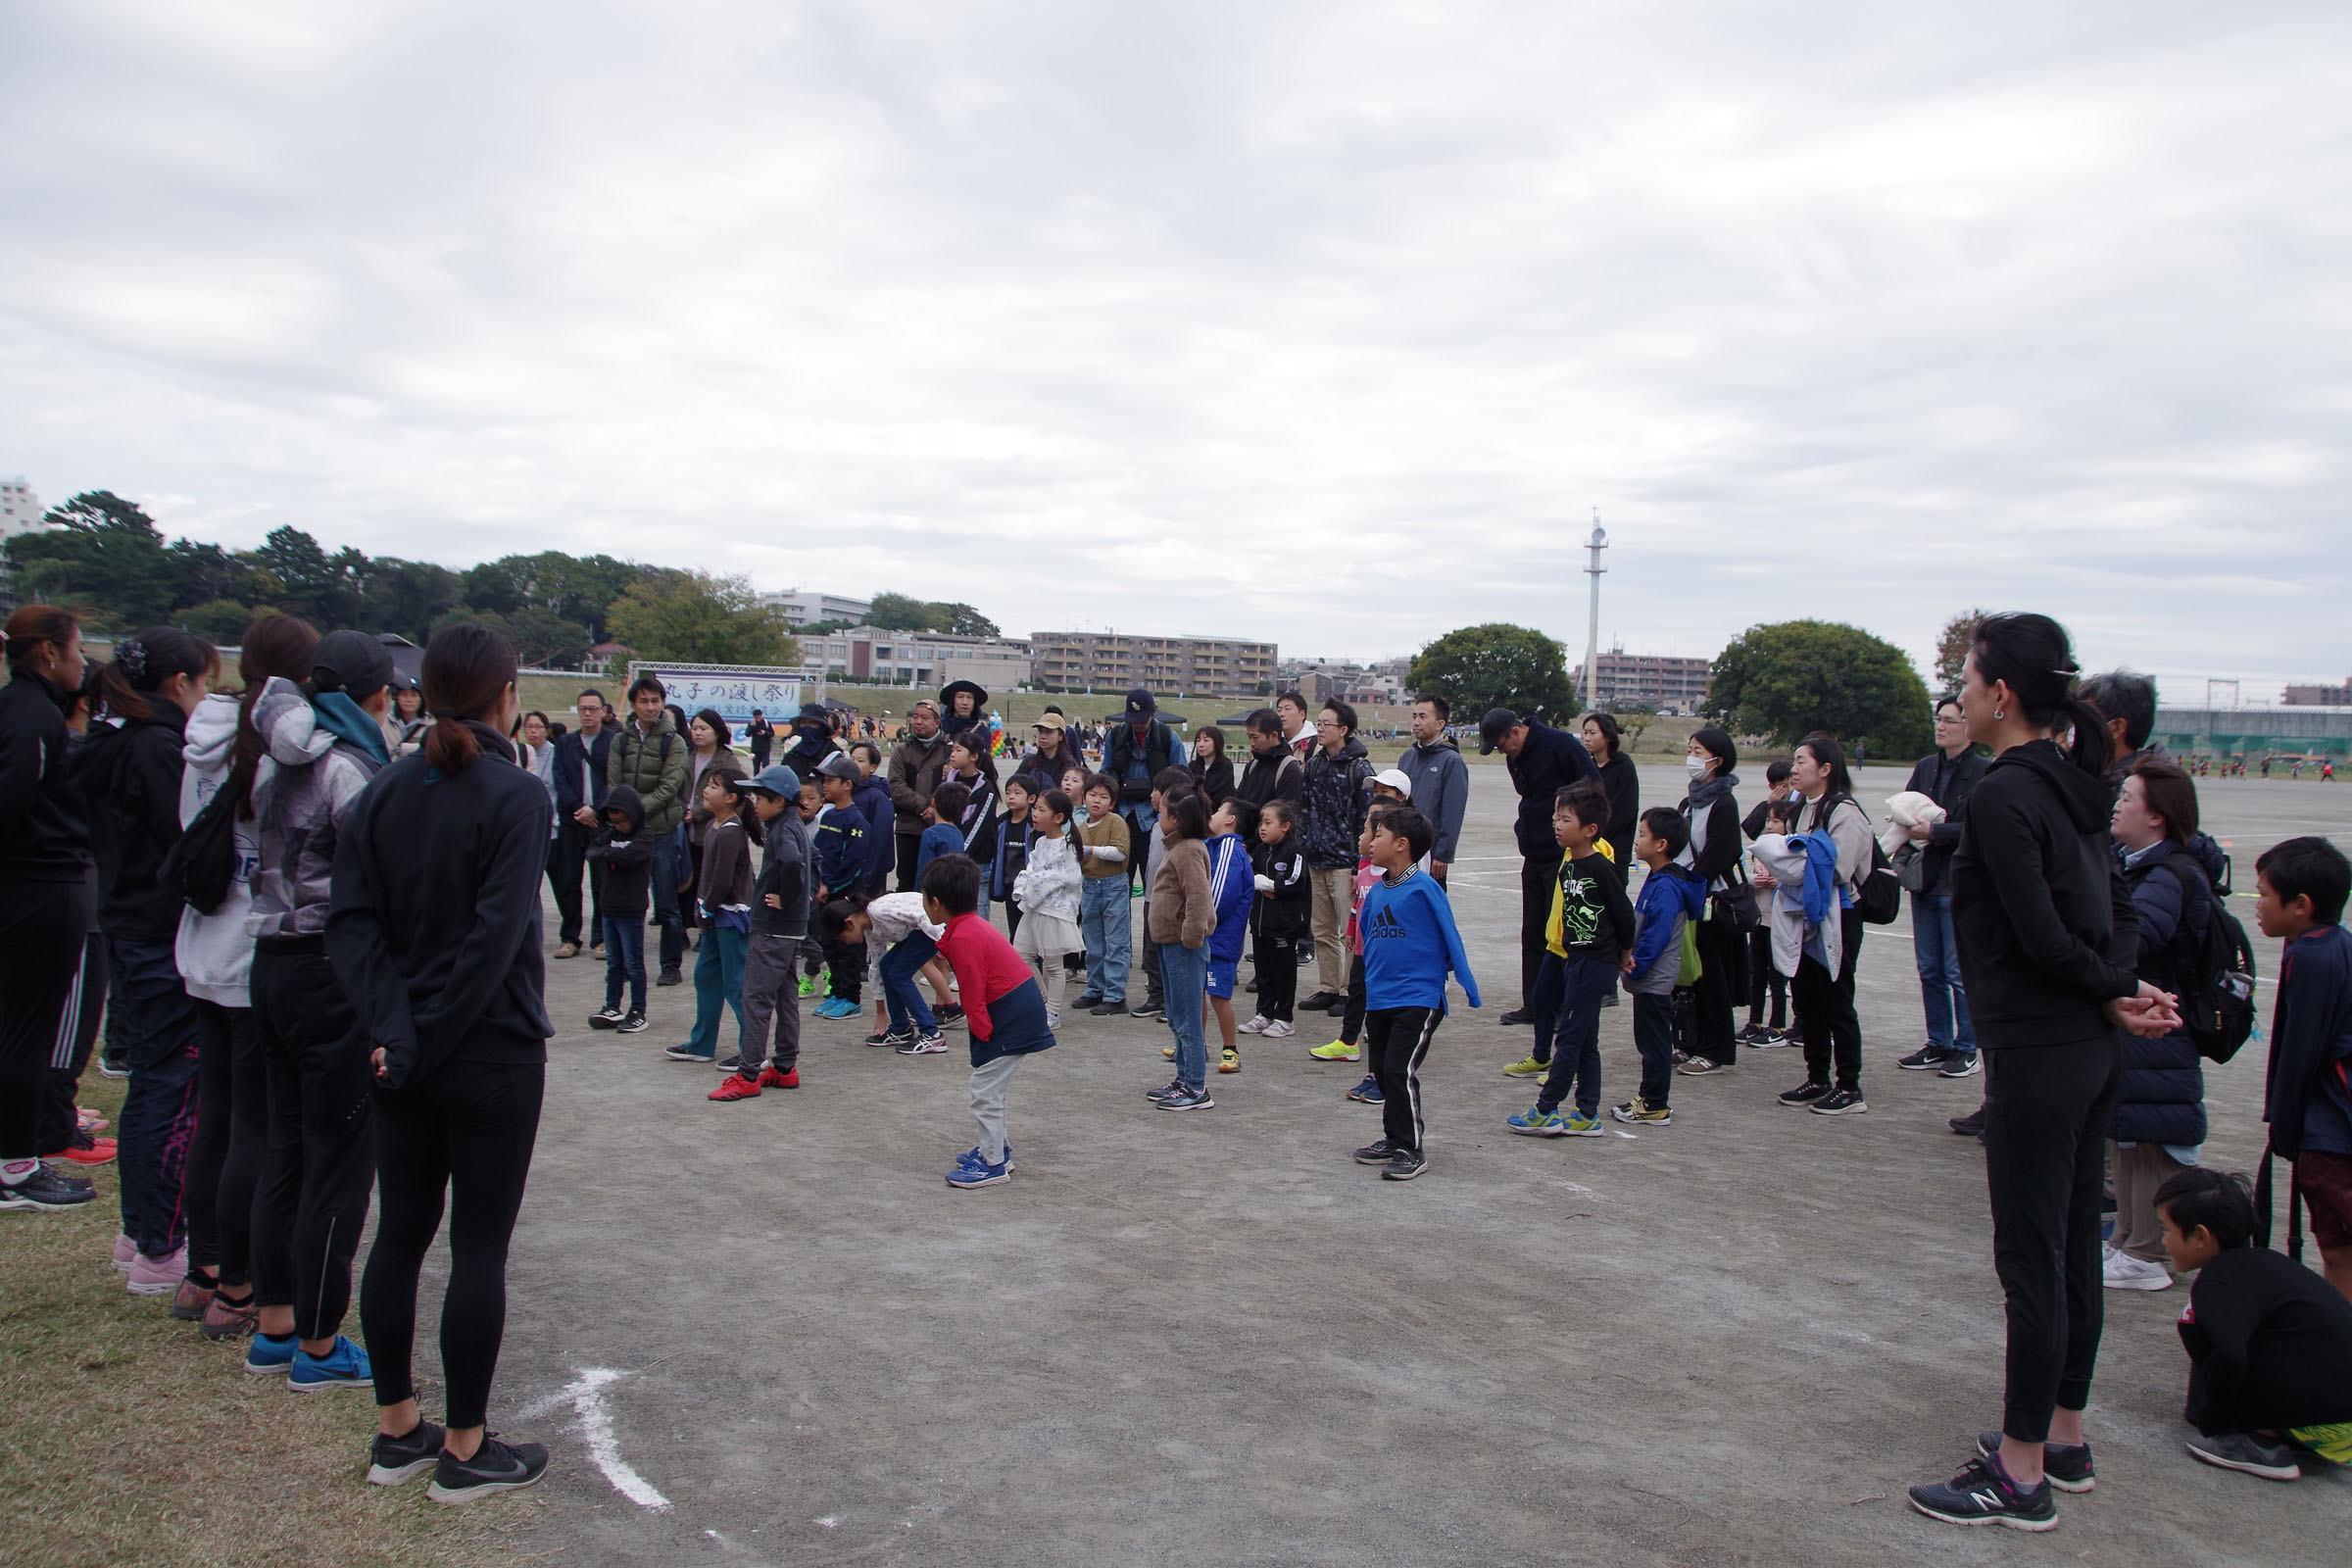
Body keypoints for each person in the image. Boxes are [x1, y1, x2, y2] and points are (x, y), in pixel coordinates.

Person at [1906, 612, 2180, 1532]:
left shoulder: (2002, 794)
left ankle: (2019, 1474)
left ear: (2002, 694)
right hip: (2089, 1048)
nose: (1963, 693)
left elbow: (2038, 932)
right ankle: (2063, 1434)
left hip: (2037, 1050)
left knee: (2031, 1259)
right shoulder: (2080, 783)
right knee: (2069, 1252)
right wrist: (2117, 988)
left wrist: (2108, 985)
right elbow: (2116, 909)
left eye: (1971, 678)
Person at [329, 622, 555, 1503]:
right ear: (506, 696)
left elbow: (350, 925)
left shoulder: (385, 789)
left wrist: (395, 1028)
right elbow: (495, 938)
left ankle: (397, 1429)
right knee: (478, 1246)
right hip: (487, 1045)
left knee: (400, 1233)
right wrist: (430, 1031)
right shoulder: (515, 795)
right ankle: (464, 1445)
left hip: (399, 1047)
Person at [241, 628, 394, 1379]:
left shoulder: (275, 760)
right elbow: (380, 879)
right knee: (338, 1160)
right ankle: (320, 1341)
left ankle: (275, 1321)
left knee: (288, 1145)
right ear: (372, 697)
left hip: (269, 959)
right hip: (330, 971)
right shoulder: (350, 769)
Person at [172, 612, 318, 1336]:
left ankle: (203, 1269)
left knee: (216, 1116)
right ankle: (239, 1282)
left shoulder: (205, 726)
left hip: (201, 935)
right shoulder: (272, 738)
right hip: (250, 943)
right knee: (255, 1128)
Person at [81, 627, 218, 1292]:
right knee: (174, 1087)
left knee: (148, 1083)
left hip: (125, 925)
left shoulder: (108, 741)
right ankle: (162, 1244)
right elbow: (184, 841)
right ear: (179, 683)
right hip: (161, 930)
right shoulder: (161, 748)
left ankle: (139, 1230)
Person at [2154, 1166, 2352, 1481]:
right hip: (2342, 1423)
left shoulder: (2218, 1282)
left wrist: (2214, 1424)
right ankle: (2287, 1429)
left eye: (2166, 1229)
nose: (2163, 1240)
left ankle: (2260, 1443)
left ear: (2202, 1236)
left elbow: (2229, 1356)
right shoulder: (2267, 1263)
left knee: (2194, 1325)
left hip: (2327, 1422)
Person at [0, 607, 101, 1215]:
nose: (82, 660)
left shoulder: (21, 707)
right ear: (47, 653)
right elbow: (14, 796)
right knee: (26, 1033)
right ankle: (16, 1166)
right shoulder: (33, 714)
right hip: (36, 886)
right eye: (77, 648)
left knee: (18, 1029)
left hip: (30, 883)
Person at [2103, 759, 2214, 1291]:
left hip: (2159, 1023)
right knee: (2127, 1135)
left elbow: (2136, 939)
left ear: (2159, 817)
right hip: (2143, 1024)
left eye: (2128, 798)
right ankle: (2128, 1239)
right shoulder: (2141, 863)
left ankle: (2145, 1253)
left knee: (2152, 1140)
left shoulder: (2168, 874)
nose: (2118, 805)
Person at [1350, 806, 1480, 1181]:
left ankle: (1412, 1148)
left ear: (1401, 845)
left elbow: (1449, 934)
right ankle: (1392, 1138)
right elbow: (1367, 944)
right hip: (1381, 997)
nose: (1371, 842)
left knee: (1399, 1069)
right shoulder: (1376, 893)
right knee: (1382, 1070)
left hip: (1418, 997)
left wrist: (1468, 986)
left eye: (1379, 836)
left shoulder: (1424, 887)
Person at [2252, 834, 2352, 1302]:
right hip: (2338, 1123)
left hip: (2332, 1129)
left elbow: (2299, 1054)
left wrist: (2285, 1126)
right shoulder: (2337, 943)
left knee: (2339, 1254)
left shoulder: (2309, 957)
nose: (2258, 904)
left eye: (2266, 895)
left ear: (2301, 905)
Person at [1504, 782, 1632, 1136]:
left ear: (1589, 830)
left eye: (1565, 819)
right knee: (1585, 1038)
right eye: (1555, 818)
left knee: (1571, 1036)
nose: (1557, 825)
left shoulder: (1601, 868)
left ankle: (1547, 1108)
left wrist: (1624, 955)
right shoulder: (1568, 867)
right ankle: (1587, 1113)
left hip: (1596, 962)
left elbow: (1624, 916)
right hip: (1574, 958)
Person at [925, 853, 1056, 1189]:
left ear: (936, 904)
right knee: (990, 1088)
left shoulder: (965, 936)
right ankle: (997, 1150)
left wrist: (982, 1034)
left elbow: (973, 991)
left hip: (1011, 1014)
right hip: (1014, 1008)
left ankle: (992, 1163)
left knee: (984, 1088)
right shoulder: (968, 926)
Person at [1768, 734, 1873, 1115]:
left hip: (1838, 915)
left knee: (1836, 998)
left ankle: (1850, 1086)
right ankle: (1817, 1077)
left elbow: (1839, 869)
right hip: (1804, 914)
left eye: (1801, 762)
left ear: (1826, 769)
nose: (1793, 769)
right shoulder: (1800, 808)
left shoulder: (1845, 811)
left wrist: (1793, 859)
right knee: (1806, 997)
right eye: (1794, 761)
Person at [1480, 706, 1601, 1026]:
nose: (1502, 751)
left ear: (1516, 731)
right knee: (1533, 932)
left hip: (1563, 856)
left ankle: (1564, 1006)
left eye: (1502, 743)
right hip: (1533, 853)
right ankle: (1534, 1005)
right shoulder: (1514, 757)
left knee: (1563, 934)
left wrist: (1581, 840)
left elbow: (1595, 789)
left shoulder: (1561, 745)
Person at [1897, 697, 1989, 1075]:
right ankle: (1938, 1041)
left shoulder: (1984, 770)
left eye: (1949, 721)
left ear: (1968, 726)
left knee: (1958, 971)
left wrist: (1936, 831)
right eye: (1938, 719)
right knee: (1929, 968)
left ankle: (1967, 1047)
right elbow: (1903, 806)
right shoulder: (1926, 767)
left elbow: (1981, 828)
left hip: (1958, 883)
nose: (1941, 726)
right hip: (1925, 878)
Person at [710, 765, 809, 1101]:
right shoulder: (793, 824)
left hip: (773, 930)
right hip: (790, 930)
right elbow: (814, 859)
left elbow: (794, 864)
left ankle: (748, 1073)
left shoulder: (782, 831)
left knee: (755, 998)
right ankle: (784, 1067)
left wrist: (789, 898)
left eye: (758, 797)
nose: (752, 803)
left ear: (778, 801)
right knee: (785, 996)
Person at [663, 768, 756, 1065]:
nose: (705, 790)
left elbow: (723, 880)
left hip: (729, 916)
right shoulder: (716, 826)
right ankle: (702, 1043)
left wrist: (706, 907)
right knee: (706, 977)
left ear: (730, 798)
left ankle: (750, 1050)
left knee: (736, 983)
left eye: (714, 786)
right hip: (714, 916)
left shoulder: (731, 831)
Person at [1621, 808, 1706, 1122]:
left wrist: (1637, 965)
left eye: (1643, 834)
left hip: (1654, 979)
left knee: (1655, 1043)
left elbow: (1656, 935)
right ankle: (1648, 1097)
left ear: (1661, 844)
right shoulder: (1659, 879)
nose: (1636, 840)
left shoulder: (1667, 886)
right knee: (1649, 1040)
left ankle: (1655, 1103)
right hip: (1648, 978)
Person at [608, 676, 690, 987]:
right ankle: (628, 964)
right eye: (643, 701)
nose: (650, 707)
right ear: (633, 705)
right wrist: (624, 816)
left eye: (655, 701)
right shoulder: (621, 741)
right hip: (626, 833)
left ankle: (670, 965)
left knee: (667, 905)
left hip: (661, 832)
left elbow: (669, 787)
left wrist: (635, 813)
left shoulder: (675, 742)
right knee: (628, 904)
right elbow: (614, 784)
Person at [1675, 727, 1747, 1073]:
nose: (1692, 757)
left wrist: (1694, 881)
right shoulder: (1689, 803)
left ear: (1717, 760)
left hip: (1711, 900)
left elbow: (1725, 849)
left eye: (1699, 751)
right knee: (1689, 974)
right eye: (1690, 749)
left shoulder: (1724, 802)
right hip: (1689, 897)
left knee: (1712, 973)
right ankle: (1689, 1040)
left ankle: (1717, 1048)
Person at [1143, 790, 1216, 1111]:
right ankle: (1183, 1077)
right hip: (1170, 944)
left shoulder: (1187, 850)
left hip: (1185, 947)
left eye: (1164, 812)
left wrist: (1190, 937)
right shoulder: (1177, 848)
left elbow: (1198, 898)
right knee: (1176, 1016)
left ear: (1177, 820)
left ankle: (1196, 1087)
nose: (1159, 815)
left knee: (1187, 1019)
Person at [1299, 701, 1373, 1014]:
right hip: (1317, 859)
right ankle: (1328, 986)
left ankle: (1349, 990)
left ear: (1343, 730)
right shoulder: (1315, 764)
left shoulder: (1360, 769)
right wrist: (1305, 845)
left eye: (1326, 724)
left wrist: (1361, 866)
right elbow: (1304, 809)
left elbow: (1366, 822)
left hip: (1346, 865)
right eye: (1318, 723)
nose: (1319, 728)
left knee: (1350, 932)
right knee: (1322, 929)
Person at [818, 890, 947, 1054]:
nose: (846, 942)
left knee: (899, 975)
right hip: (917, 931)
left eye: (843, 937)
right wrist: (880, 1010)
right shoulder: (871, 930)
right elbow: (877, 967)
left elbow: (922, 915)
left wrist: (945, 943)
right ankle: (901, 1028)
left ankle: (932, 1034)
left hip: (932, 924)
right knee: (887, 967)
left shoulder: (879, 911)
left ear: (849, 923)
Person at [549, 689, 614, 959]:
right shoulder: (565, 743)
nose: (587, 713)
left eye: (592, 708)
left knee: (602, 882)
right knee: (568, 881)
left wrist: (595, 809)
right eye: (583, 708)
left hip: (600, 821)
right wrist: (578, 808)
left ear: (602, 711)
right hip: (571, 820)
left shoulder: (613, 741)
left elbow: (614, 779)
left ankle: (600, 938)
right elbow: (559, 778)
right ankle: (569, 937)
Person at [1010, 788, 1082, 1027]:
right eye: (1036, 808)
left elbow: (1068, 878)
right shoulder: (1040, 841)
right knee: (1021, 955)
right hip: (1034, 908)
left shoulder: (1068, 845)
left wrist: (1034, 883)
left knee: (1053, 964)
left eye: (1042, 810)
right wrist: (1026, 882)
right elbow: (1032, 869)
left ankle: (1052, 1012)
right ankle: (1042, 1001)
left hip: (1054, 911)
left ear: (1058, 817)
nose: (1035, 814)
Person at [584, 787, 654, 1034]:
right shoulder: (609, 834)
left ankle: (638, 1010)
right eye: (614, 822)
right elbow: (591, 852)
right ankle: (612, 1005)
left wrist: (609, 854)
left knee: (633, 963)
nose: (620, 826)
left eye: (623, 821)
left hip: (632, 909)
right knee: (614, 962)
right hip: (609, 907)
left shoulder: (644, 834)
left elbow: (632, 856)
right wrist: (611, 853)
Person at [1739, 760, 1795, 1047]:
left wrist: (1779, 880)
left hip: (1779, 919)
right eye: (1769, 821)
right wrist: (1754, 880)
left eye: (1776, 821)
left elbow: (1797, 877)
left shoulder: (1792, 847)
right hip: (1759, 917)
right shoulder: (1762, 844)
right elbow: (1748, 874)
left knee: (1777, 975)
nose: (1770, 826)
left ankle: (1778, 1026)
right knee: (1756, 972)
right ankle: (1755, 1021)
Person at [1203, 797, 1260, 1074]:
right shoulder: (1215, 845)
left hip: (1218, 940)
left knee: (1219, 996)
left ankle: (1231, 1049)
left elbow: (1220, 896)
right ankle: (1196, 1044)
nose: (1211, 814)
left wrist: (1201, 924)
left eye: (1217, 810)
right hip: (1210, 937)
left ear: (1230, 820)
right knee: (1199, 992)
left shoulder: (1229, 848)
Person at [1243, 799, 1308, 1039]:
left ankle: (1284, 1018)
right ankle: (1264, 1013)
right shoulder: (1259, 851)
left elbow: (1295, 882)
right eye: (1261, 822)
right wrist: (1259, 883)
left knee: (1283, 971)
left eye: (1268, 822)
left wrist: (1270, 884)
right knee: (1263, 970)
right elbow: (1249, 877)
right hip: (1261, 923)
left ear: (1285, 826)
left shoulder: (1294, 851)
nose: (1262, 827)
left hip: (1284, 925)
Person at [1103, 688, 1175, 893]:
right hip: (1121, 819)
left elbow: (1182, 779)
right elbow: (1105, 771)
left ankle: (1150, 925)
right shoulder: (1115, 735)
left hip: (1155, 821)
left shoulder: (1168, 737)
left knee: (1155, 888)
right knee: (1117, 888)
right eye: (1132, 719)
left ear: (1153, 713)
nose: (1137, 724)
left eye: (1142, 719)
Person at [1075, 774, 1133, 1014]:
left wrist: (1090, 850)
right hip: (1089, 886)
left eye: (1103, 797)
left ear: (1112, 802)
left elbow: (1120, 853)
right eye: (1092, 795)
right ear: (1084, 797)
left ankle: (1115, 994)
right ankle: (1095, 988)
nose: (1096, 801)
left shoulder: (1116, 822)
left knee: (1116, 942)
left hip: (1114, 885)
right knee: (1093, 942)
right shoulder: (1079, 827)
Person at [1396, 696, 1468, 884]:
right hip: (1401, 851)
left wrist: (1443, 854)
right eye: (1414, 716)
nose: (1416, 722)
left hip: (1430, 854)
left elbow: (1452, 813)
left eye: (1422, 716)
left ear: (1440, 724)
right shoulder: (1407, 758)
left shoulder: (1452, 761)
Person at [887, 700, 951, 891]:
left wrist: (935, 810)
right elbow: (896, 786)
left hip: (939, 826)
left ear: (937, 723)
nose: (918, 722)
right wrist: (924, 806)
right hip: (908, 828)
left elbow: (953, 786)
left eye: (924, 718)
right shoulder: (902, 752)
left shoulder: (949, 751)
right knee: (906, 881)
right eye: (915, 717)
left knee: (937, 883)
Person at [1581, 711, 1639, 866]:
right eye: (1585, 733)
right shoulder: (1587, 767)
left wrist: (1595, 835)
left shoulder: (1624, 767)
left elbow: (1625, 812)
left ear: (1608, 737)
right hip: (1588, 847)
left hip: (1614, 851)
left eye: (1592, 733)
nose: (1587, 738)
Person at [1233, 708, 1303, 811]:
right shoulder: (1252, 765)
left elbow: (1284, 815)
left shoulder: (1290, 769)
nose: (1251, 743)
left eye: (1255, 737)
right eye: (1249, 737)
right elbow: (1238, 803)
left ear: (1274, 736)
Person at [1019, 712, 1083, 799]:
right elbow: (1016, 786)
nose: (1042, 736)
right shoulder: (1029, 761)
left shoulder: (1068, 765)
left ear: (1060, 736)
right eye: (1040, 731)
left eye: (1048, 732)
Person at [779, 702, 837, 782]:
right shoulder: (792, 756)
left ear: (822, 727)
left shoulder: (834, 756)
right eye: (803, 722)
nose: (806, 727)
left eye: (812, 723)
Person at [1190, 725, 1237, 808]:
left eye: (1206, 740)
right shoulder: (1193, 766)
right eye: (1198, 740)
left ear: (1217, 742)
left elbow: (1223, 794)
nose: (1201, 745)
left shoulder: (1226, 765)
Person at [1275, 689, 1314, 761]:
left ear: (1302, 715)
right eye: (1279, 710)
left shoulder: (1315, 745)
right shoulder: (1274, 741)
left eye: (1287, 709)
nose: (1282, 714)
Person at [744, 708, 773, 772]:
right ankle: (756, 780)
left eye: (759, 715)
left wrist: (765, 733)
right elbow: (747, 734)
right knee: (756, 767)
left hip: (765, 748)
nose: (757, 717)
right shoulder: (752, 723)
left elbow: (772, 734)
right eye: (756, 716)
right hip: (755, 749)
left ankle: (766, 778)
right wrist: (752, 726)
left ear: (761, 715)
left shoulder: (766, 723)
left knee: (766, 764)